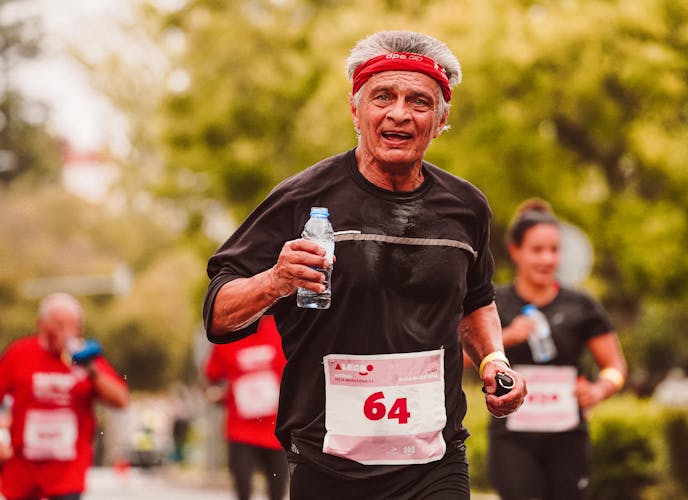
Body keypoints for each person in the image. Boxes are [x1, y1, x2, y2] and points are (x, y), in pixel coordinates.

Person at [202, 30, 526, 499]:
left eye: (419, 101)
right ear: (356, 110)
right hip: (328, 460)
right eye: (383, 97)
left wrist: (495, 360)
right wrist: (275, 281)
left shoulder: (465, 208)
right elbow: (218, 313)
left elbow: (476, 303)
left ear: (440, 120)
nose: (399, 113)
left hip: (433, 459)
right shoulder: (302, 199)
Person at [487, 199, 627, 500]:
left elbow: (615, 367)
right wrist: (507, 337)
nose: (547, 259)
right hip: (513, 438)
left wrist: (600, 389)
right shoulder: (493, 303)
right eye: (537, 250)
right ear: (515, 251)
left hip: (568, 438)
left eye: (554, 250)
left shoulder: (581, 305)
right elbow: (456, 358)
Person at [0, 292, 130, 500]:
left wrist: (93, 372)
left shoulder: (87, 359)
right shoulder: (19, 354)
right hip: (22, 473)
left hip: (67, 474)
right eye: (60, 325)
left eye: (74, 326)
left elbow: (121, 400)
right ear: (41, 324)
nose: (68, 333)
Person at [203, 314, 289, 500]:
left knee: (277, 491)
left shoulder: (281, 328)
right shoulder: (226, 336)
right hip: (240, 430)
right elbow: (211, 380)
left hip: (276, 430)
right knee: (243, 489)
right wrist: (216, 395)